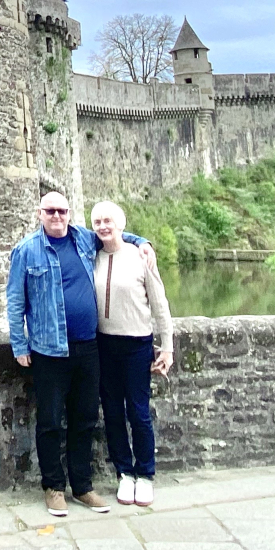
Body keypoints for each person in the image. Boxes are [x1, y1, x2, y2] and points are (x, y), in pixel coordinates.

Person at [6, 191, 156, 518]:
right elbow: (15, 302)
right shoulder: (26, 250)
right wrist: (19, 345)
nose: (57, 216)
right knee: (49, 421)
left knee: (85, 418)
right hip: (48, 350)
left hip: (89, 348)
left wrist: (142, 240)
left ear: (69, 213)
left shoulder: (84, 239)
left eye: (62, 210)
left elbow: (113, 233)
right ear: (40, 213)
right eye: (50, 211)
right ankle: (53, 488)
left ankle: (83, 486)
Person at [90, 200, 173, 508]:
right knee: (111, 412)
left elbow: (160, 304)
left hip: (137, 344)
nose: (102, 226)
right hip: (103, 344)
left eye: (108, 220)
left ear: (121, 224)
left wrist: (168, 346)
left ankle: (146, 476)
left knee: (138, 412)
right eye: (97, 221)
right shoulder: (93, 256)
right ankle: (124, 473)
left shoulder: (140, 256)